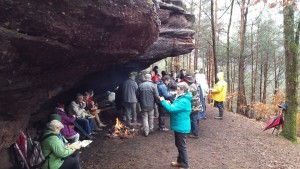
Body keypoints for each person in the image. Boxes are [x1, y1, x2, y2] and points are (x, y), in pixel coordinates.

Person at [159, 82, 192, 169]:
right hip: (179, 125)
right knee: (179, 145)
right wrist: (169, 103)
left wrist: (163, 101)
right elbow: (174, 106)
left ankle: (185, 166)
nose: (176, 89)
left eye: (178, 88)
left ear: (182, 90)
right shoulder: (181, 98)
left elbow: (171, 109)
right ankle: (179, 162)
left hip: (182, 126)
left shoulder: (184, 101)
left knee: (182, 146)